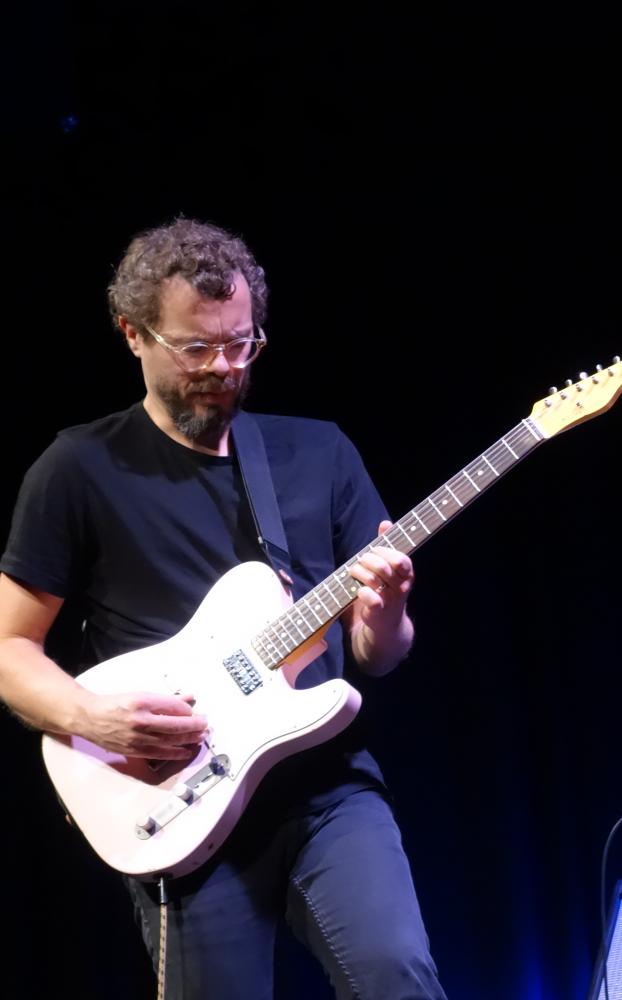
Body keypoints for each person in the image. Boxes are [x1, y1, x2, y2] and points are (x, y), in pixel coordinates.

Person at [0, 218, 446, 998]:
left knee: (397, 975)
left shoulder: (319, 454)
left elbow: (379, 655)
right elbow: (9, 650)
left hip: (323, 786)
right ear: (132, 334)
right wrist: (92, 717)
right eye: (196, 349)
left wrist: (385, 611)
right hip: (182, 800)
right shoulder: (77, 468)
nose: (223, 369)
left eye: (242, 345)